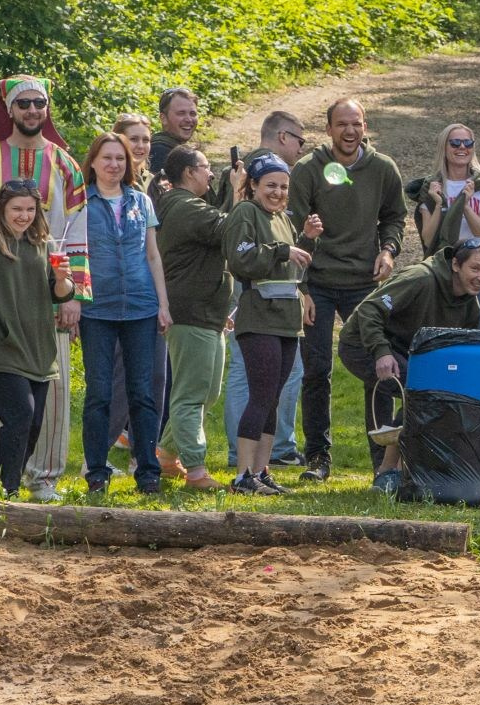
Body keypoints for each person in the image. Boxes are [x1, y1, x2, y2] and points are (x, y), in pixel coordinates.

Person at [287, 98, 405, 482]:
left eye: (356, 124)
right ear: (329, 129)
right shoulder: (307, 170)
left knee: (380, 367)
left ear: (365, 126)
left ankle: (383, 462)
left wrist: (388, 251)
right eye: (342, 124)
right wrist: (301, 288)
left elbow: (394, 217)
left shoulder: (383, 168)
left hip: (363, 284)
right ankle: (318, 457)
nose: (350, 131)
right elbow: (292, 231)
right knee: (316, 371)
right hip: (318, 282)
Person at [341, 240, 480, 495]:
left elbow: (455, 355)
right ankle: (388, 471)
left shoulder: (471, 306)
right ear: (456, 265)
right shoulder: (420, 278)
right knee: (421, 392)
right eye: (475, 269)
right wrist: (381, 351)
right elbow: (370, 310)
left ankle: (411, 470)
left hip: (406, 349)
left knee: (439, 391)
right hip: (361, 342)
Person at [0, 76, 83, 504]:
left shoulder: (66, 164)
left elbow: (77, 232)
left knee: (50, 392)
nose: (33, 110)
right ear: (10, 108)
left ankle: (43, 475)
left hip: (49, 294)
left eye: (40, 103)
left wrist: (74, 296)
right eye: (24, 103)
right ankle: (4, 479)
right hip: (1, 296)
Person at [78, 130, 172, 495]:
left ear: (128, 164)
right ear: (94, 163)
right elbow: (75, 255)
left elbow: (152, 255)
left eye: (120, 159)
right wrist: (72, 300)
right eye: (107, 158)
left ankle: (148, 471)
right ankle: (97, 472)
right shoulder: (81, 203)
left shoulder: (141, 201)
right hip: (97, 309)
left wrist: (163, 304)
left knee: (143, 394)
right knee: (99, 393)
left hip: (141, 307)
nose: (114, 164)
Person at [222, 111, 312, 468]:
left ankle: (262, 471)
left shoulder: (284, 220)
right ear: (254, 186)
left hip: (287, 320)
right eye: (270, 185)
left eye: (283, 186)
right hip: (257, 317)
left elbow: (291, 264)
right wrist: (281, 251)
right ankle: (243, 471)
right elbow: (241, 259)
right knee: (259, 395)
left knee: (274, 397)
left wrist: (307, 242)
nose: (277, 192)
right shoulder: (245, 212)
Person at [155, 146, 232, 491]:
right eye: (206, 168)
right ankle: (197, 471)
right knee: (190, 394)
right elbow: (231, 230)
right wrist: (241, 193)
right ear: (188, 172)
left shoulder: (189, 205)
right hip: (192, 313)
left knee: (206, 392)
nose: (211, 174)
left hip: (208, 314)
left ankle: (165, 455)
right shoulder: (184, 206)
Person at [0, 182, 72, 498]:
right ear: (2, 209)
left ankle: (4, 482)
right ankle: (8, 489)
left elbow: (60, 294)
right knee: (21, 416)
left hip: (39, 347)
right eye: (17, 209)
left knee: (33, 426)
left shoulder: (43, 242)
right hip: (4, 346)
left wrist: (64, 278)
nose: (24, 216)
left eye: (30, 209)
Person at [414, 123, 480, 323]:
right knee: (440, 335)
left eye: (468, 143)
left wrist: (465, 205)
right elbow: (428, 238)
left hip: (479, 273)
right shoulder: (432, 186)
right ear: (444, 147)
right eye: (455, 143)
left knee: (477, 337)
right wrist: (437, 204)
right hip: (442, 272)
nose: (462, 147)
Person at [153, 89, 200, 186]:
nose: (188, 119)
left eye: (192, 114)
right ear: (163, 118)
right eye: (181, 113)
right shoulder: (159, 153)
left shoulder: (179, 149)